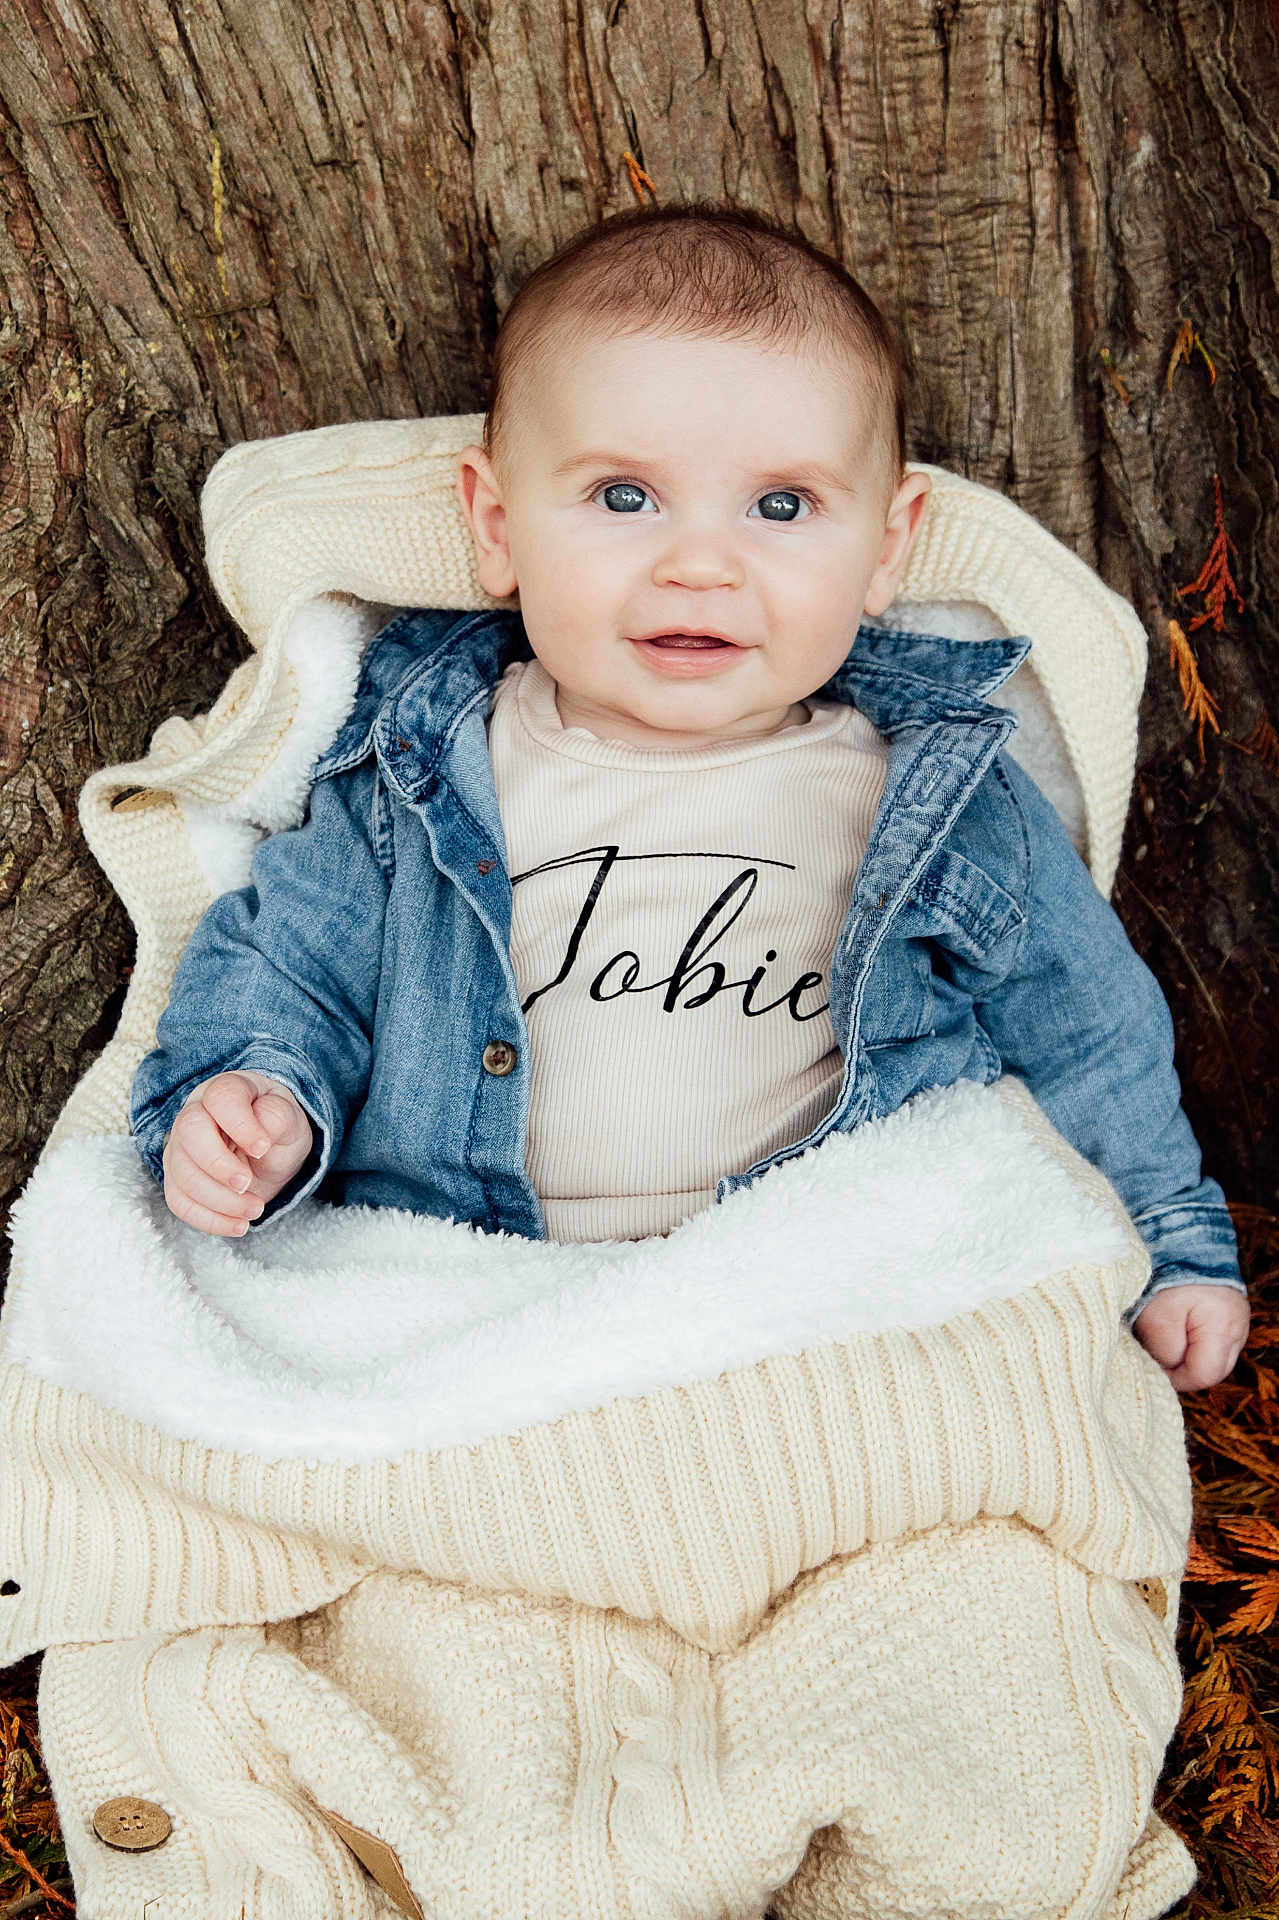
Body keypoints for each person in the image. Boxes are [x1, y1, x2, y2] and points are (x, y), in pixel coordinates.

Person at [130, 201, 1249, 1393]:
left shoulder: (932, 787)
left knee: (987, 1438)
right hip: (478, 1294)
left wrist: (1173, 1238)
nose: (699, 563)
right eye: (624, 497)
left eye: (781, 506)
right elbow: (291, 966)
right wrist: (261, 1101)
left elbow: (1085, 1026)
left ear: (885, 547)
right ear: (497, 525)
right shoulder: (410, 774)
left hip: (833, 1297)